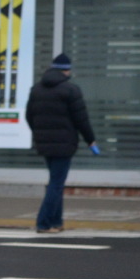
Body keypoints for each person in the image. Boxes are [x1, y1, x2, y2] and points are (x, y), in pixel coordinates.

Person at [25, 53, 96, 234]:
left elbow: (29, 116)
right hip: (64, 144)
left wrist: (40, 134)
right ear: (67, 70)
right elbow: (82, 119)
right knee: (56, 184)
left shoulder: (36, 89)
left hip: (45, 144)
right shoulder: (71, 90)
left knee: (56, 182)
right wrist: (91, 141)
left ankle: (57, 222)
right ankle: (43, 223)